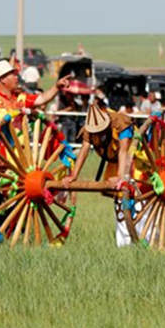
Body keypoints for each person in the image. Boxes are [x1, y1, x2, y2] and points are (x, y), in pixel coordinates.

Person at [0, 61, 70, 242]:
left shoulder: (19, 99)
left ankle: (17, 237)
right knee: (1, 207)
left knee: (25, 202)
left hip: (22, 164)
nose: (17, 77)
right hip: (0, 164)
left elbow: (41, 100)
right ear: (2, 80)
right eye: (13, 74)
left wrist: (56, 87)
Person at [64, 100, 135, 246]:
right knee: (119, 201)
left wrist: (121, 177)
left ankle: (138, 237)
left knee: (134, 198)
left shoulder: (120, 123)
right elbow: (84, 150)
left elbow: (124, 151)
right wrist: (74, 176)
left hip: (133, 158)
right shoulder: (89, 128)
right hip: (114, 160)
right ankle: (125, 243)